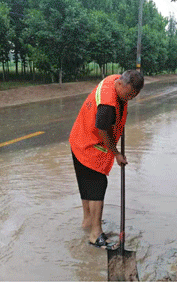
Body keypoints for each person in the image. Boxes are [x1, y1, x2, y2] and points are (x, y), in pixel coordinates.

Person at [69, 70, 144, 248]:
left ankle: (88, 223)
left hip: (79, 140)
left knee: (87, 187)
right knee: (97, 188)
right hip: (90, 147)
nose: (130, 99)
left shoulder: (114, 80)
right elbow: (103, 131)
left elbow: (114, 119)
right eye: (129, 94)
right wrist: (116, 154)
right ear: (120, 84)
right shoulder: (107, 105)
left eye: (134, 96)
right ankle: (95, 235)